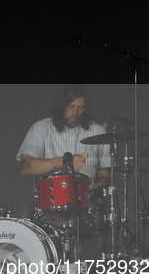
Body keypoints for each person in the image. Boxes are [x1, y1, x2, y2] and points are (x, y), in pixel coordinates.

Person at [16, 84, 111, 261]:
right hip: (48, 206)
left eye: (81, 108)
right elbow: (27, 167)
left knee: (103, 228)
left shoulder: (98, 132)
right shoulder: (42, 128)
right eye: (71, 107)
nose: (76, 112)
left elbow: (104, 175)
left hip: (87, 206)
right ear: (62, 106)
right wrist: (65, 160)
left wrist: (95, 190)